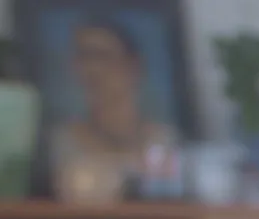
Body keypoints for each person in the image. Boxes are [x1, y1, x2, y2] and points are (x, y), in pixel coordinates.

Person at [53, 15, 178, 170]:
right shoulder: (64, 142)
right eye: (84, 57)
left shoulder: (164, 139)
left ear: (133, 66)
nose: (93, 69)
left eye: (103, 56)